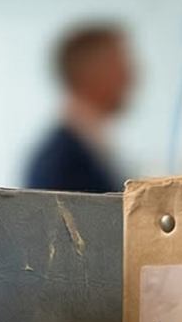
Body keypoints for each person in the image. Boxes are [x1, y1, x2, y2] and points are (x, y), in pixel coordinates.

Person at [24, 22, 135, 194]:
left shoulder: (90, 144)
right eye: (120, 66)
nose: (129, 78)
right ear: (91, 73)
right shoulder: (59, 161)